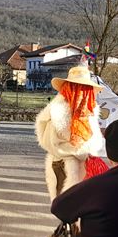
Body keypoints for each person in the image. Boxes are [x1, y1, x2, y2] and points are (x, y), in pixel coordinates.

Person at [35, 64, 105, 200]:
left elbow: (95, 142)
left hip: (85, 171)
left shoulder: (88, 112)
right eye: (77, 87)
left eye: (85, 89)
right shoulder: (56, 113)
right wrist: (82, 153)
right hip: (64, 168)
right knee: (67, 208)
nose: (82, 93)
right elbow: (50, 143)